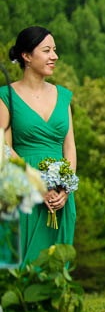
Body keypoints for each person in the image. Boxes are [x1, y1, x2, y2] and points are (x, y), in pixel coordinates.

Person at [1, 26, 77, 266]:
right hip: (24, 187)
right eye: (46, 50)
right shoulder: (6, 97)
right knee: (24, 263)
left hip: (60, 194)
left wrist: (66, 187)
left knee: (55, 264)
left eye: (54, 50)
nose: (54, 56)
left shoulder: (63, 96)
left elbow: (70, 147)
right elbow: (4, 148)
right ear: (26, 56)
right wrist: (38, 185)